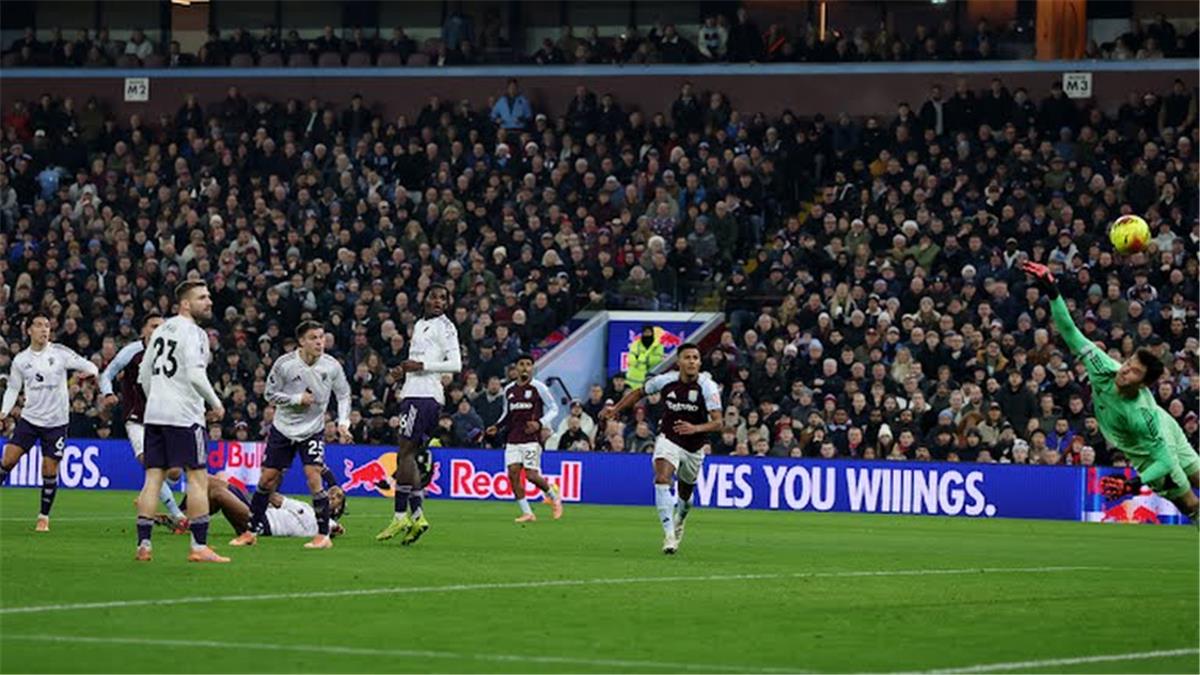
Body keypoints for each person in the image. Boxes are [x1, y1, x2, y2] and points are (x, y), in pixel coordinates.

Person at [1023, 262, 1199, 520]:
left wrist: (1132, 484)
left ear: (1143, 384)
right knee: (1191, 500)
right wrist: (1052, 290)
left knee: (1192, 497)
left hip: (1154, 443)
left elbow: (1165, 461)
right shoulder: (1102, 366)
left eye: (1134, 372)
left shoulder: (1141, 414)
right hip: (1154, 436)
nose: (1125, 371)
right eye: (1128, 364)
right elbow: (1070, 331)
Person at [230, 321, 352, 550]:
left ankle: (323, 535)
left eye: (322, 337)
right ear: (301, 341)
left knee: (313, 475)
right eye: (314, 338)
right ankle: (250, 532)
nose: (320, 342)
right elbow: (269, 394)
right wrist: (297, 399)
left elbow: (344, 395)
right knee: (267, 479)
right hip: (283, 429)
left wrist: (344, 423)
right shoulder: (285, 364)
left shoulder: (332, 366)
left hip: (312, 430)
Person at [135, 280, 229, 563]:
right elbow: (195, 375)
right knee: (197, 478)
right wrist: (216, 403)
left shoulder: (160, 330)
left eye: (208, 296)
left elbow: (143, 374)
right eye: (202, 297)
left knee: (153, 478)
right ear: (185, 304)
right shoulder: (195, 333)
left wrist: (157, 399)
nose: (209, 302)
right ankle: (199, 547)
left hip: (155, 415)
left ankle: (144, 545)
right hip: (184, 416)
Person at [601, 343, 722, 554]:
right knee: (662, 478)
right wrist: (616, 409)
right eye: (687, 357)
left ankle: (680, 518)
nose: (692, 361)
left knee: (685, 495)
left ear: (700, 362)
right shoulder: (665, 380)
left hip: (694, 446)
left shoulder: (707, 386)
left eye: (695, 358)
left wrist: (695, 428)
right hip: (669, 438)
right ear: (679, 362)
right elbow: (639, 392)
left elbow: (718, 422)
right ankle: (669, 535)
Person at [376, 285, 461, 545]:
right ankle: (417, 516)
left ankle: (401, 515)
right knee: (408, 455)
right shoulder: (422, 324)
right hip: (415, 393)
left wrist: (422, 366)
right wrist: (403, 370)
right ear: (425, 299)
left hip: (423, 397)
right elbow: (416, 363)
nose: (438, 301)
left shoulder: (446, 327)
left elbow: (455, 364)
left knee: (404, 452)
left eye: (443, 298)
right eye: (434, 296)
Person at [0, 315, 99, 532]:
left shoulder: (60, 353)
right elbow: (13, 389)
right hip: (30, 419)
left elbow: (90, 366)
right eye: (39, 325)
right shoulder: (21, 360)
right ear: (29, 331)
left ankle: (43, 517)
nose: (44, 329)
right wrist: (3, 413)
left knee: (49, 468)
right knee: (8, 459)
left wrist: (89, 372)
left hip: (56, 423)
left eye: (47, 326)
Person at [99, 312, 188, 530]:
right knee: (151, 463)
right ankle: (178, 515)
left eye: (162, 326)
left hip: (164, 417)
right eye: (153, 326)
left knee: (175, 472)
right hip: (137, 418)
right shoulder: (132, 351)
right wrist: (108, 393)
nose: (158, 330)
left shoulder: (171, 352)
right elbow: (107, 374)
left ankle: (146, 496)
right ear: (143, 330)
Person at [484, 353, 563, 522]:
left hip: (531, 439)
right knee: (513, 475)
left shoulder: (539, 387)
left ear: (532, 368)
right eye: (522, 364)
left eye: (528, 364)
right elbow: (507, 413)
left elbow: (554, 408)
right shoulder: (509, 390)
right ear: (516, 368)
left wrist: (540, 423)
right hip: (513, 438)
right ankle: (527, 513)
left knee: (531, 475)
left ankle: (554, 497)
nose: (525, 367)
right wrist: (497, 426)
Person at [192, 473, 346, 541]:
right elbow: (274, 499)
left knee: (218, 492)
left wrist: (337, 528)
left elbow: (334, 528)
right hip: (258, 510)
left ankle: (191, 521)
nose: (332, 495)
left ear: (338, 509)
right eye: (332, 492)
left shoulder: (326, 521)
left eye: (338, 496)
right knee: (212, 482)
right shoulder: (305, 506)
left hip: (263, 524)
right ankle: (187, 519)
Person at [625, 324, 665, 389]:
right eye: (645, 332)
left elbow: (658, 358)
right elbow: (631, 357)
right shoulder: (636, 343)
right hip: (634, 378)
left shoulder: (658, 345)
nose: (647, 334)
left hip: (651, 376)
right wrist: (638, 362)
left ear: (652, 333)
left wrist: (644, 359)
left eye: (649, 332)